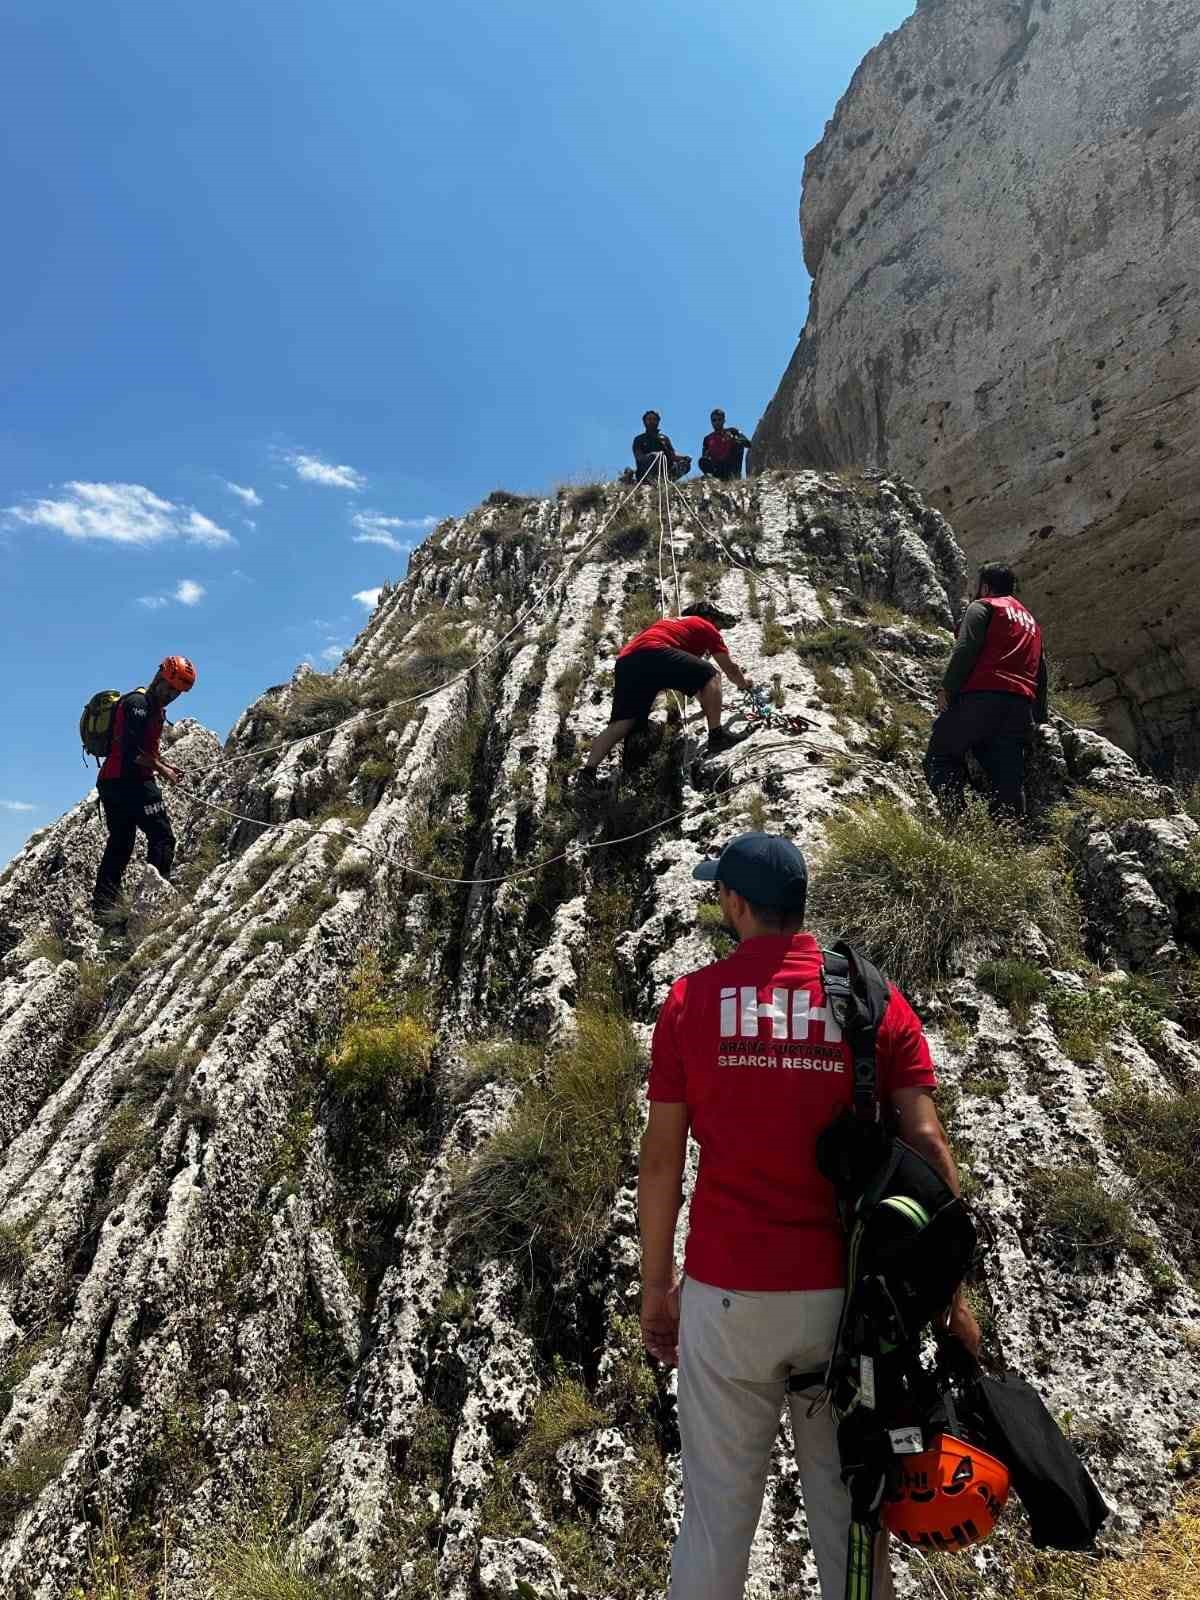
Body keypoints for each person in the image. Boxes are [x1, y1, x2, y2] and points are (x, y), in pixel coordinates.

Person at [638, 831, 979, 1600]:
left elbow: (661, 1162)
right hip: (846, 1303)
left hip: (727, 1296)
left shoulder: (692, 1002)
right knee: (851, 1512)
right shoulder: (872, 997)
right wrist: (951, 1296)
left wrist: (656, 1289)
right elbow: (926, 1142)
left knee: (717, 1518)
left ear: (734, 903)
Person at [573, 602, 753, 797]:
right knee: (711, 674)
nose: (717, 627)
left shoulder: (670, 626)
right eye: (716, 622)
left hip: (627, 661)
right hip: (655, 653)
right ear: (708, 618)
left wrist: (707, 705)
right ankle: (717, 736)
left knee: (623, 722)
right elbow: (729, 670)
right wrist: (744, 684)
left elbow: (691, 682)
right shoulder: (705, 626)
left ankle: (587, 774)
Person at [924, 562, 1047, 817]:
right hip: (1020, 707)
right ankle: (1008, 836)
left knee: (942, 755)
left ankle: (956, 822)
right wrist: (1039, 716)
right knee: (1007, 779)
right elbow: (1040, 671)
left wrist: (947, 688)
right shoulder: (1032, 624)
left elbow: (966, 647)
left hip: (981, 698)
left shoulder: (983, 606)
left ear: (985, 586)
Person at [93, 656, 197, 923]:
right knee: (162, 837)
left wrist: (165, 765)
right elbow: (131, 751)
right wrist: (163, 771)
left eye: (178, 693)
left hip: (114, 782)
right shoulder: (137, 704)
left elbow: (143, 750)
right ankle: (153, 904)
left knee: (121, 843)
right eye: (170, 688)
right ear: (159, 678)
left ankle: (103, 910)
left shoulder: (153, 707)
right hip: (129, 781)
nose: (172, 695)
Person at [632, 411, 691, 482]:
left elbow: (673, 456)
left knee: (685, 464)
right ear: (644, 422)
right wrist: (652, 456)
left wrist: (684, 458)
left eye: (654, 419)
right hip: (646, 472)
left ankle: (667, 480)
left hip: (665, 472)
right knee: (654, 457)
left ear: (658, 421)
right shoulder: (639, 439)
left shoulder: (664, 438)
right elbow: (639, 457)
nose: (652, 421)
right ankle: (652, 479)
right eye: (649, 419)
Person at [698, 409, 751, 480]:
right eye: (714, 420)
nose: (717, 422)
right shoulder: (707, 439)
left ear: (724, 420)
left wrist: (734, 439)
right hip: (717, 469)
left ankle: (734, 476)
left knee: (738, 444)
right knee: (702, 461)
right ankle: (712, 478)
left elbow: (748, 444)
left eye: (719, 419)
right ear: (711, 422)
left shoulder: (733, 431)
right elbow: (704, 457)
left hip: (731, 466)